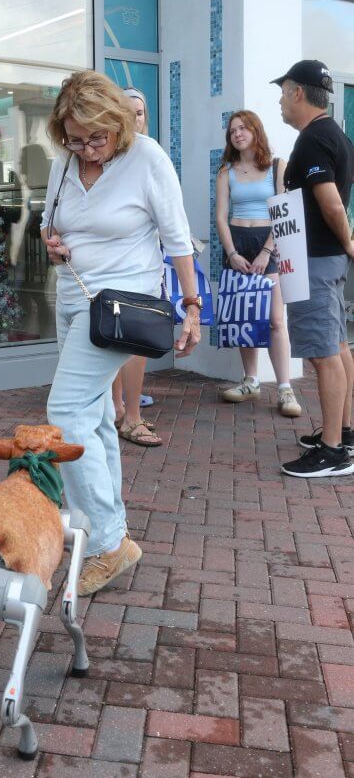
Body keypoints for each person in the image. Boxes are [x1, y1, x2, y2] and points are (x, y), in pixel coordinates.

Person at [41, 70, 200, 595]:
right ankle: (101, 523)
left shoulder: (146, 157)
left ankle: (110, 543)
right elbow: (50, 224)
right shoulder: (66, 161)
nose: (86, 148)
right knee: (95, 417)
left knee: (64, 413)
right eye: (74, 137)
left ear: (117, 125)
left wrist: (192, 306)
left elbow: (177, 237)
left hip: (118, 306)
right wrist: (53, 243)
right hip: (71, 295)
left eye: (96, 137)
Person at [271, 60, 354, 478]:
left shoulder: (313, 139)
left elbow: (331, 201)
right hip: (324, 258)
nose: (280, 100)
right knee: (337, 345)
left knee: (324, 355)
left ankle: (334, 452)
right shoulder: (333, 133)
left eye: (283, 91)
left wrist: (349, 242)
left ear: (298, 92)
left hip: (317, 260)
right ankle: (345, 431)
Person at [216, 111, 301, 417]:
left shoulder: (278, 166)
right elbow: (221, 218)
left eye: (243, 128)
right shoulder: (226, 171)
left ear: (255, 130)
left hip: (269, 244)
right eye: (232, 130)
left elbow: (283, 212)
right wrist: (232, 253)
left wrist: (267, 251)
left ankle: (284, 388)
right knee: (244, 317)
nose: (237, 134)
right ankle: (250, 380)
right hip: (237, 244)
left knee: (276, 320)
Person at [111, 87, 162, 447]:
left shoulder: (152, 156)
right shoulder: (104, 157)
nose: (134, 118)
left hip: (143, 266)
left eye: (140, 112)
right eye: (127, 111)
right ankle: (117, 411)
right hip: (109, 267)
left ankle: (132, 414)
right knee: (110, 340)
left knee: (137, 342)